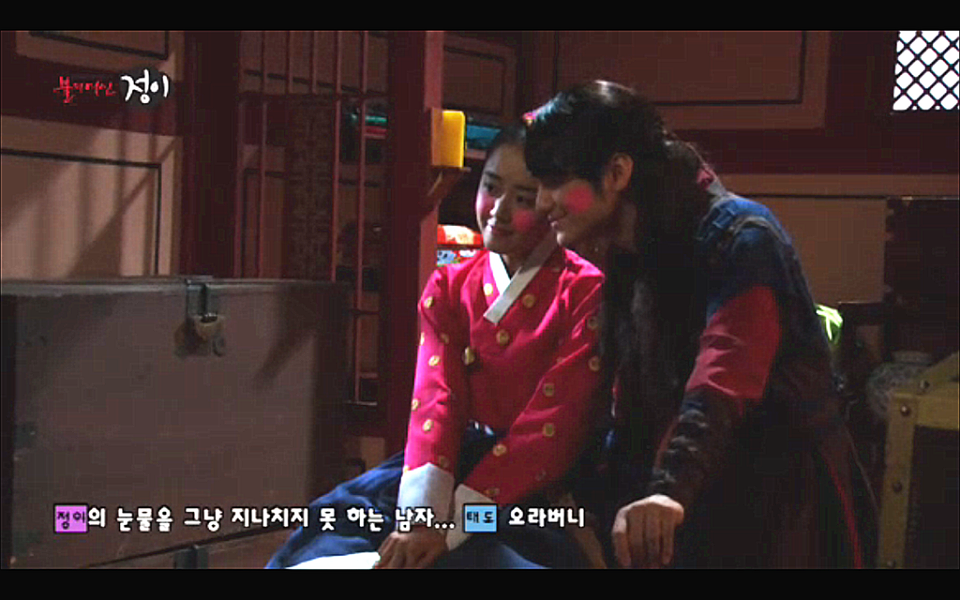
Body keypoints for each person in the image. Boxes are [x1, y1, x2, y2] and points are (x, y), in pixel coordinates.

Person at [522, 80, 878, 569]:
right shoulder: (630, 250)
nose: (542, 202)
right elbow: (626, 397)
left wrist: (668, 490)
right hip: (685, 493)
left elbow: (723, 379)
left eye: (556, 181)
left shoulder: (743, 238)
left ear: (618, 172)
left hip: (772, 499)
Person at [266, 125, 605, 569]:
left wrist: (448, 528)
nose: (498, 211)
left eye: (523, 199)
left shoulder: (585, 293)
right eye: (490, 188)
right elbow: (436, 402)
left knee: (478, 555)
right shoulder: (450, 285)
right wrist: (421, 518)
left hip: (535, 484)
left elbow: (552, 429)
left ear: (553, 204)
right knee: (333, 536)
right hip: (447, 465)